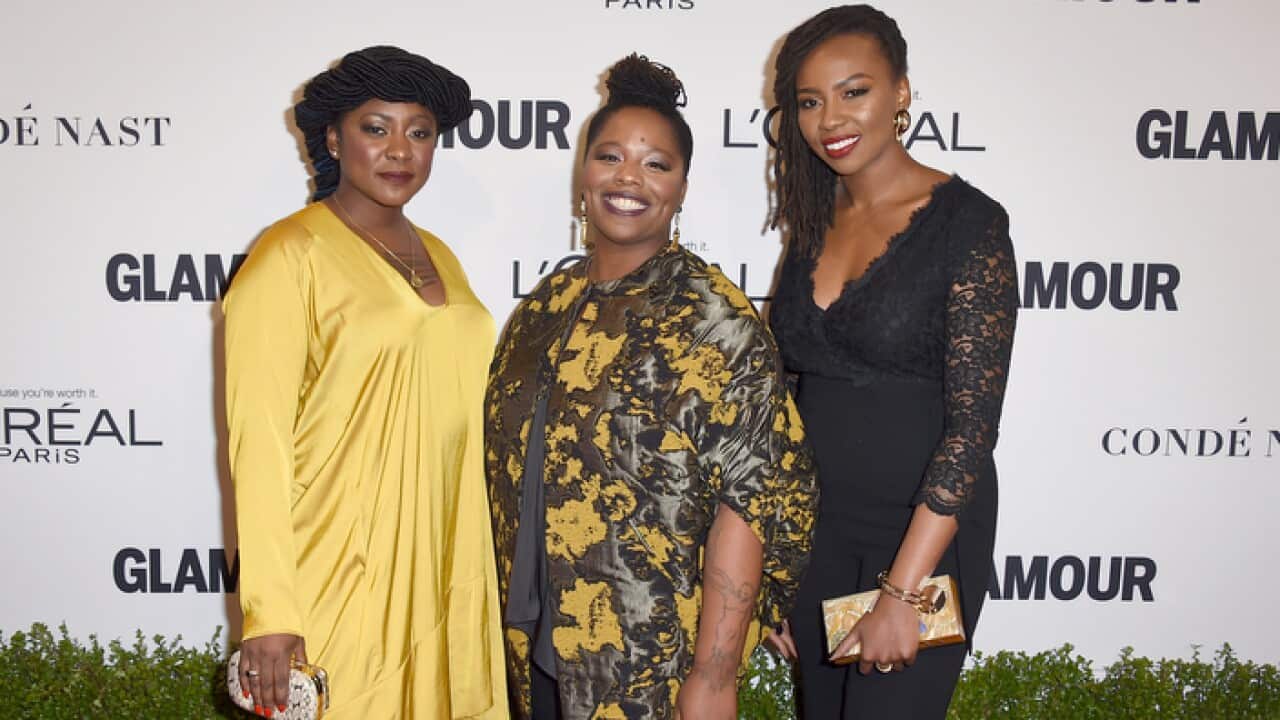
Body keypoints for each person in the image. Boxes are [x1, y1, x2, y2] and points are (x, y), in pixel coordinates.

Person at [484, 54, 818, 720]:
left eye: (656, 163)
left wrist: (715, 677)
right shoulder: (545, 307)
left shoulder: (711, 318)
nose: (629, 177)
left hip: (647, 672)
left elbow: (752, 502)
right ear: (583, 174)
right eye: (610, 156)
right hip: (531, 653)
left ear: (683, 188)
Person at [223, 45, 507, 719]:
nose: (399, 150)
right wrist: (268, 612)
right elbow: (256, 443)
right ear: (332, 137)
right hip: (341, 567)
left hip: (449, 568)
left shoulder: (441, 254)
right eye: (375, 128)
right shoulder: (287, 256)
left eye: (420, 132)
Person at [763, 5, 1019, 718]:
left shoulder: (968, 225)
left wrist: (903, 592)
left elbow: (972, 430)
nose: (830, 118)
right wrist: (778, 568)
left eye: (855, 91)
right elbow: (782, 404)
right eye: (809, 101)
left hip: (919, 542)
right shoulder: (811, 226)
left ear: (901, 92)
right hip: (819, 537)